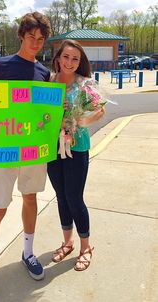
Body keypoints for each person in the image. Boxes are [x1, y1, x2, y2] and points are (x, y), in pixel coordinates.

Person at [0, 12, 51, 300]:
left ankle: (28, 253)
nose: (35, 43)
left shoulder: (44, 73)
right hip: (4, 148)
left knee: (30, 198)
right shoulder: (2, 65)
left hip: (32, 149)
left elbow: (45, 114)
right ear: (21, 35)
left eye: (40, 39)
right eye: (31, 37)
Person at [47, 39, 105, 271]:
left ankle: (86, 247)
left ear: (79, 62)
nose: (70, 62)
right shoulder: (48, 83)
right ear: (58, 58)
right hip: (52, 147)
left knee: (74, 197)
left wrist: (80, 121)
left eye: (75, 59)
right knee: (60, 196)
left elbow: (101, 109)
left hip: (77, 147)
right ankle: (67, 242)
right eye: (66, 57)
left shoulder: (84, 85)